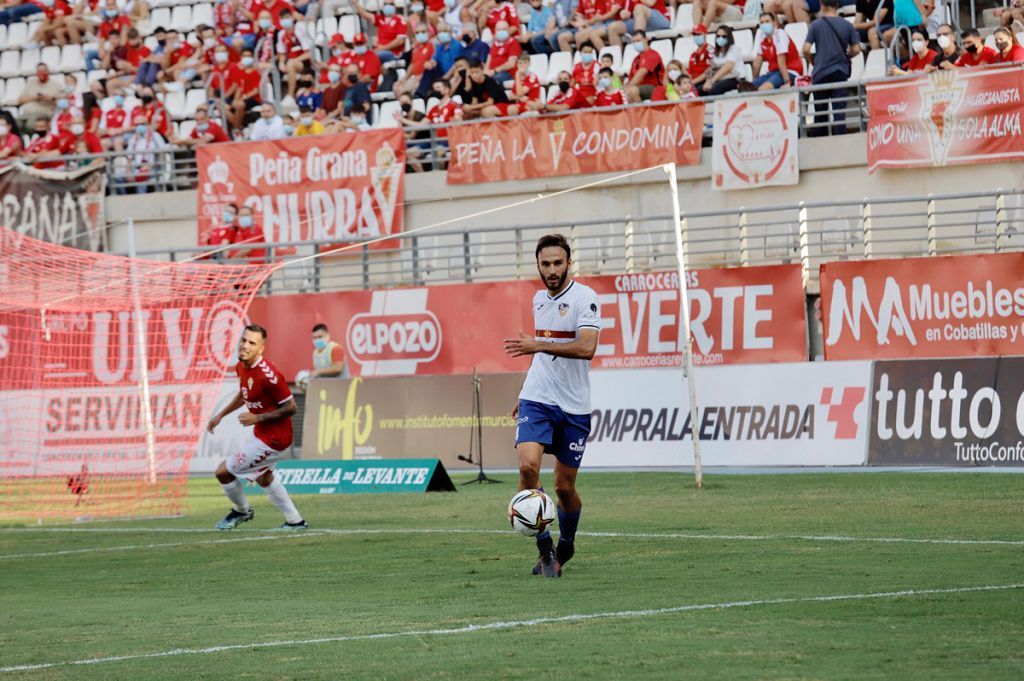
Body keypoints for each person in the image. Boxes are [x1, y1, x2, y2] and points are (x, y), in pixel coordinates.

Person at [503, 234, 600, 579]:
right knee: (527, 468)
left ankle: (567, 541)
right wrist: (525, 388)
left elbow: (587, 348)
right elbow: (542, 354)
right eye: (546, 264)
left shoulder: (585, 298)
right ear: (538, 266)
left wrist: (537, 344)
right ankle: (545, 549)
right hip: (538, 396)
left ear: (569, 263)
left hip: (573, 405)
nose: (552, 270)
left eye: (558, 263)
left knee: (563, 488)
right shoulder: (538, 299)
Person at [207, 324, 307, 531]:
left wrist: (258, 418)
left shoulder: (270, 376)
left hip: (275, 439)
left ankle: (242, 511)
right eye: (243, 340)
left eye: (252, 343)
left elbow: (292, 408)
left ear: (261, 349)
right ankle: (295, 521)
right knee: (264, 477)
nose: (245, 346)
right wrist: (220, 415)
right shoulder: (241, 367)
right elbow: (244, 394)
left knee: (223, 472)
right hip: (262, 435)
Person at [803, 0, 860, 137]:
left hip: (820, 72)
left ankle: (821, 144)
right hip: (840, 72)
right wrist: (847, 56)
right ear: (837, 5)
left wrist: (813, 60)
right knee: (839, 112)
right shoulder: (847, 25)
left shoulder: (815, 25)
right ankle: (841, 142)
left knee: (821, 113)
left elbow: (805, 49)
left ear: (822, 5)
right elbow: (857, 49)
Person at [752, 11, 803, 90]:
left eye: (767, 21)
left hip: (790, 71)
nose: (764, 24)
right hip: (773, 72)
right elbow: (757, 63)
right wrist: (755, 81)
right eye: (762, 22)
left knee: (764, 88)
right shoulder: (762, 36)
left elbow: (781, 62)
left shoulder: (780, 34)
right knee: (749, 89)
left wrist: (787, 82)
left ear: (774, 23)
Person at [297, 323, 347, 389]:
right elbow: (317, 372)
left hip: (341, 388)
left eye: (320, 337)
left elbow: (338, 368)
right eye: (314, 338)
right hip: (326, 389)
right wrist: (307, 376)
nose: (317, 340)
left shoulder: (335, 348)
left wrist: (318, 371)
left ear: (328, 335)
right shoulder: (315, 352)